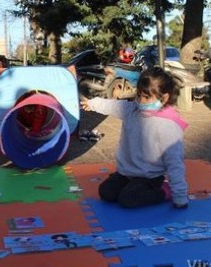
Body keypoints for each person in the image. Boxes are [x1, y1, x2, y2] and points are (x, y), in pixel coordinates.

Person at [80, 66, 189, 209]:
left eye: (146, 97)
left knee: (128, 199)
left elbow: (175, 163)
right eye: (139, 95)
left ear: (164, 98)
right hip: (126, 173)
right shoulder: (132, 110)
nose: (141, 101)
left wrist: (180, 196)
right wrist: (92, 104)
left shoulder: (168, 126)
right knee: (106, 192)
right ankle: (130, 186)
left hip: (149, 177)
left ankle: (163, 190)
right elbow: (113, 106)